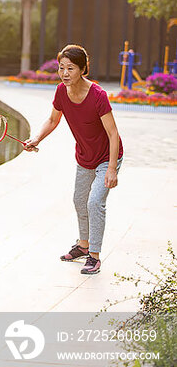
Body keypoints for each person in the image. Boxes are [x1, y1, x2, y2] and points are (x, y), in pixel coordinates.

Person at [25, 44, 123, 275]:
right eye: (61, 68)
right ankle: (83, 245)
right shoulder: (61, 91)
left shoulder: (98, 95)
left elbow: (113, 133)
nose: (65, 73)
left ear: (82, 69)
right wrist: (36, 138)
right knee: (79, 201)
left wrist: (111, 169)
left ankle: (95, 256)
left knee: (94, 203)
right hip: (84, 156)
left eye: (70, 68)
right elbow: (52, 120)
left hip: (107, 156)